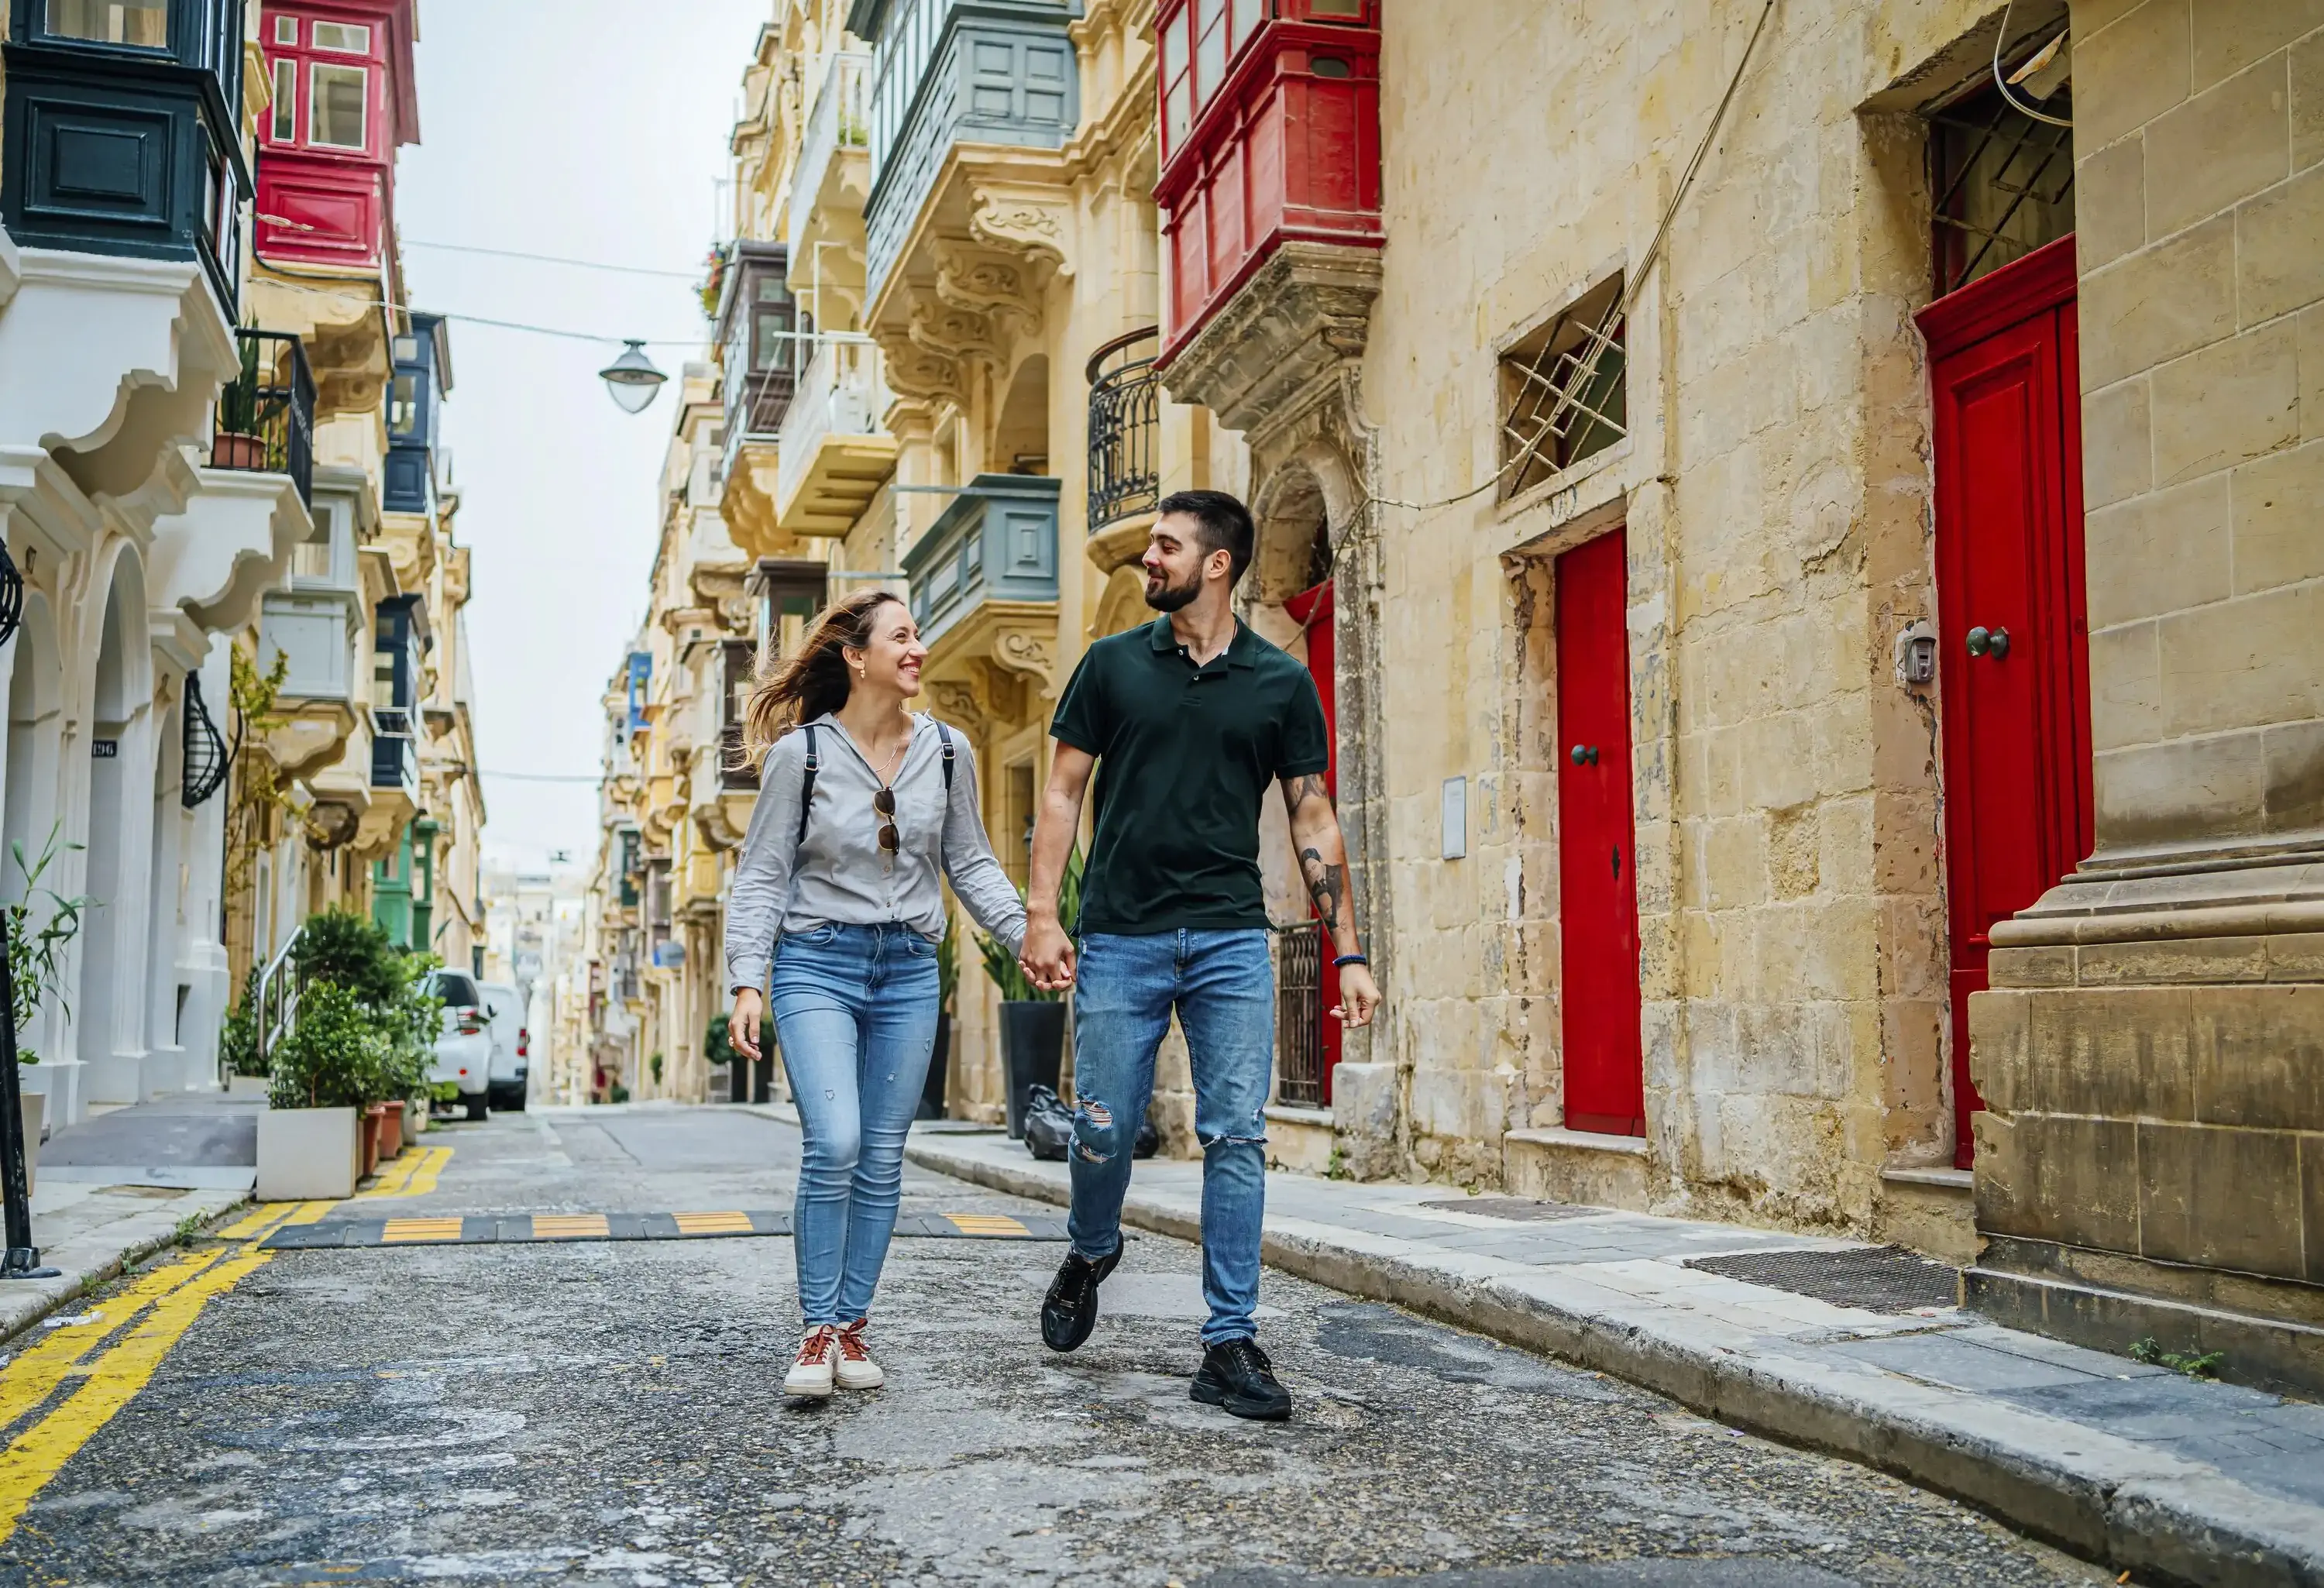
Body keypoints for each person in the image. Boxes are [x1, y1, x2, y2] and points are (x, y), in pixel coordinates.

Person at [1018, 489, 1381, 1421]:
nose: (1151, 558)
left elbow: (1311, 813)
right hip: (1121, 935)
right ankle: (1093, 1243)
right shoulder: (1108, 667)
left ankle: (1228, 1340)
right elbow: (1061, 794)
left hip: (1227, 937)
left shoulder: (1276, 682)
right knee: (1103, 1127)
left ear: (1216, 564)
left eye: (1166, 546)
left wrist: (1348, 951)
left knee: (1237, 1134)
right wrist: (1041, 915)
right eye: (1152, 544)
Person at [724, 589, 1026, 1400]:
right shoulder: (804, 756)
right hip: (816, 963)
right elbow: (761, 875)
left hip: (907, 972)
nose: (918, 647)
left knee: (884, 1156)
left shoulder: (951, 752)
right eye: (902, 636)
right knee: (836, 1142)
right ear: (857, 657)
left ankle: (852, 1327)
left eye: (919, 634)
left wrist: (1027, 934)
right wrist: (748, 980)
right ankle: (816, 1326)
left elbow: (970, 864)